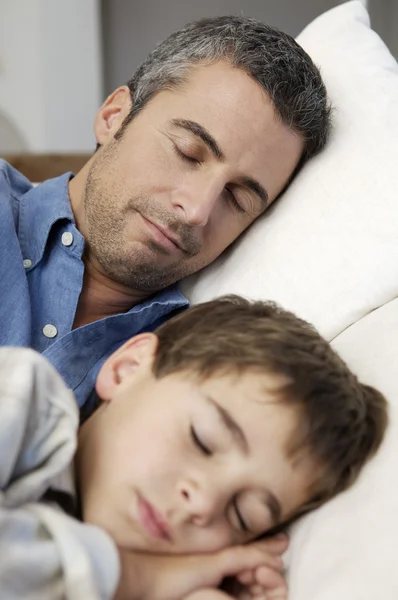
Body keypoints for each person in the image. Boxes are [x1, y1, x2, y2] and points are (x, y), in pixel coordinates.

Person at [0, 15, 331, 411]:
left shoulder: (190, 360)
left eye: (238, 198)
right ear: (115, 116)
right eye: (188, 152)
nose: (196, 211)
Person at [0, 296, 387, 600]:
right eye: (202, 441)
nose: (201, 504)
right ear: (128, 369)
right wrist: (140, 578)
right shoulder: (25, 397)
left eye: (241, 516)